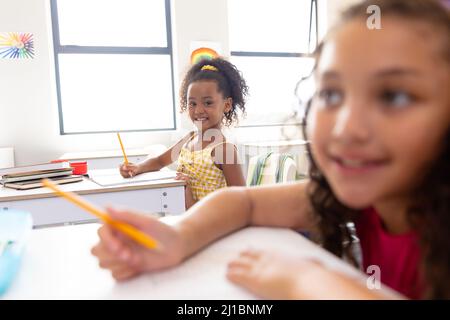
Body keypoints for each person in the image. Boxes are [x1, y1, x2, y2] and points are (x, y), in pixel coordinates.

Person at [92, 0, 450, 299]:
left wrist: (309, 281)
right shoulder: (363, 199)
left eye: (395, 96)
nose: (347, 128)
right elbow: (244, 203)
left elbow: (239, 190)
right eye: (331, 94)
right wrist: (177, 237)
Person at [119, 57, 247, 208]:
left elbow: (242, 203)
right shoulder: (189, 139)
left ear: (227, 105)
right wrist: (137, 168)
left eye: (208, 103)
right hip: (185, 219)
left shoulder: (224, 150)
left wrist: (187, 193)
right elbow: (159, 161)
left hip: (209, 224)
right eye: (192, 103)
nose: (198, 110)